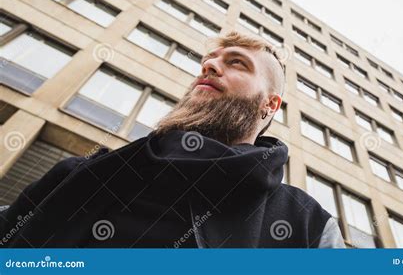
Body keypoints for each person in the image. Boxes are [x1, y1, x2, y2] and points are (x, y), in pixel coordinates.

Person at [0, 31, 345, 248]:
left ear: (270, 105)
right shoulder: (77, 175)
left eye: (237, 63)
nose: (208, 67)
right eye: (207, 62)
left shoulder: (305, 225)